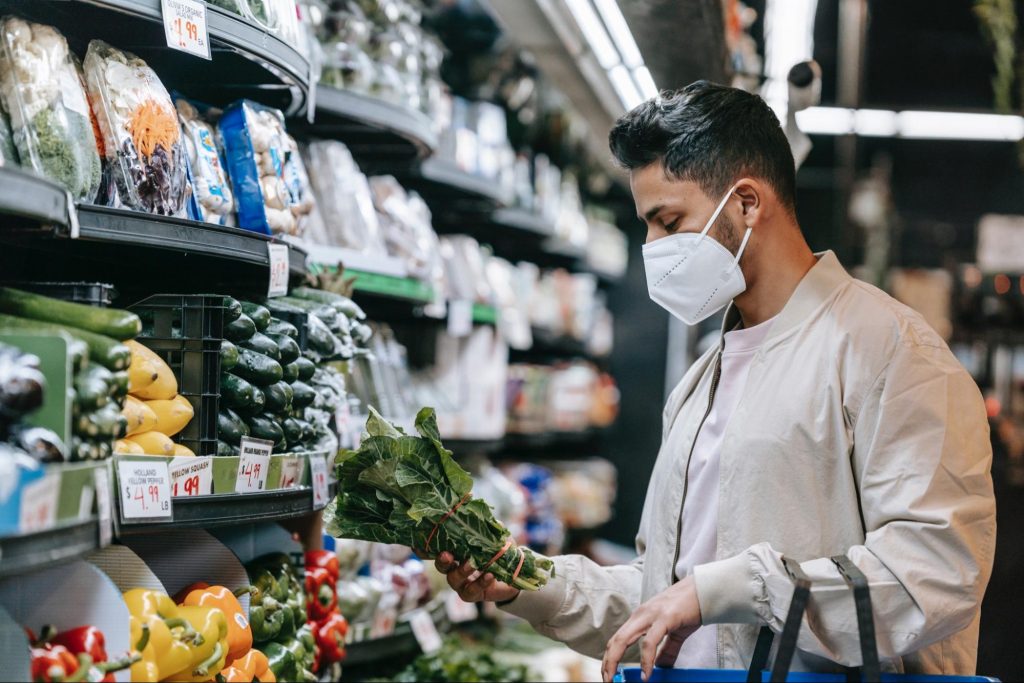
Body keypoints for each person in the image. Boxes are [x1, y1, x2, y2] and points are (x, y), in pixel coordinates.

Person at [435, 81, 996, 681]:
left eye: (668, 221)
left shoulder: (889, 354)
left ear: (747, 203)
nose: (651, 247)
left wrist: (733, 588)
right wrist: (527, 581)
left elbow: (933, 575)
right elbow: (665, 596)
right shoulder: (702, 381)